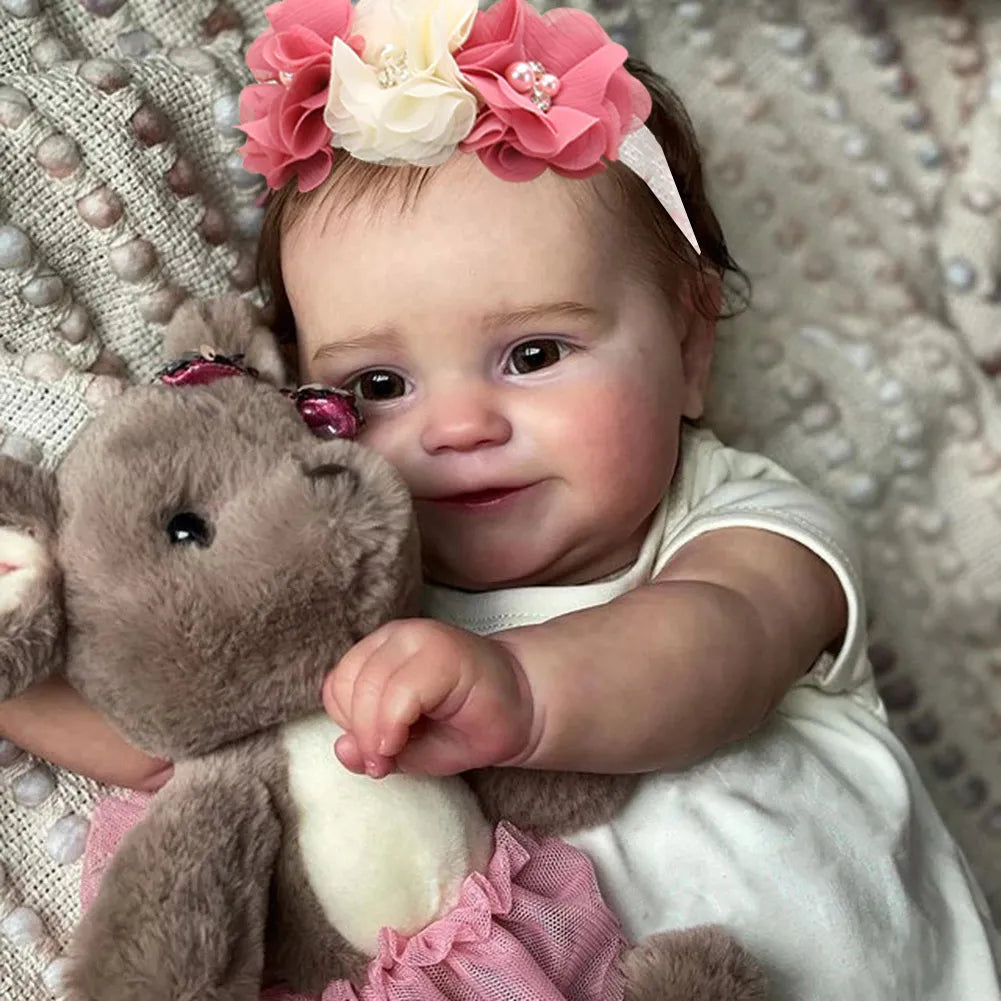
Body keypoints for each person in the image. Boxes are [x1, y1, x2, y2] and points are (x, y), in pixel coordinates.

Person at [2, 0, 998, 997]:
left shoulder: (734, 524)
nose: (458, 426)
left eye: (532, 354)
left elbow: (721, 639)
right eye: (378, 384)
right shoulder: (355, 594)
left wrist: (521, 693)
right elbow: (177, 733)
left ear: (690, 348)